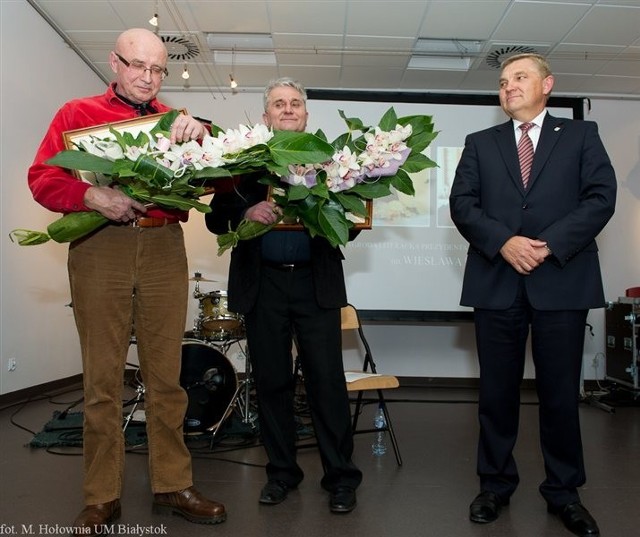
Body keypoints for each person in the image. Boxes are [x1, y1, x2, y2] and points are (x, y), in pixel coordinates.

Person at [28, 28, 226, 533]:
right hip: (100, 247)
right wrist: (92, 197)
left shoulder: (176, 121)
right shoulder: (77, 115)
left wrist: (205, 138)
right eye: (139, 65)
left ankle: (173, 485)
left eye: (158, 69)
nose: (148, 77)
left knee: (167, 378)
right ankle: (101, 497)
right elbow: (43, 178)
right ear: (115, 62)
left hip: (163, 245)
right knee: (101, 380)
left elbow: (224, 179)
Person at [449, 53, 616, 537]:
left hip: (561, 280)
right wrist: (503, 241)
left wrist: (549, 246)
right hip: (496, 281)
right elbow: (462, 204)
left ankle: (564, 493)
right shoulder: (480, 143)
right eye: (503, 82)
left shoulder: (583, 136)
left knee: (560, 394)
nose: (509, 87)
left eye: (519, 77)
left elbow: (601, 197)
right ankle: (495, 486)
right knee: (496, 395)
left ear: (548, 84)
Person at [205, 77, 362, 513]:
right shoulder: (242, 163)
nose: (289, 109)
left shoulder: (334, 161)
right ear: (266, 116)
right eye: (280, 104)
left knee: (326, 383)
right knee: (272, 383)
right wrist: (245, 211)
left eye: (295, 103)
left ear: (306, 115)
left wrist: (328, 205)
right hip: (264, 285)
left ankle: (341, 478)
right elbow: (215, 222)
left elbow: (350, 223)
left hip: (316, 285)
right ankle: (281, 474)